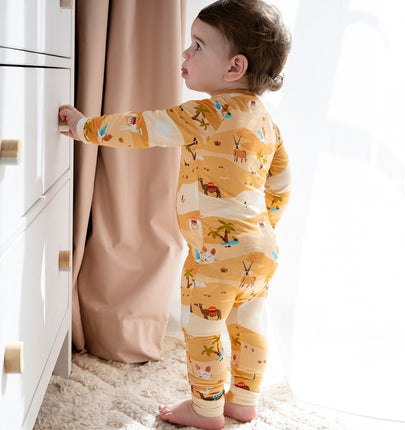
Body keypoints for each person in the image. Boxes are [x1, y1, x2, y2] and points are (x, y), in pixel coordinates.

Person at [59, 0, 292, 428]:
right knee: (249, 324)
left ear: (235, 67)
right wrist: (266, 226)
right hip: (263, 250)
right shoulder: (265, 121)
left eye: (198, 45)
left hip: (214, 256)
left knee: (203, 329)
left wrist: (83, 127)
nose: (186, 52)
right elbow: (281, 181)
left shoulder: (205, 114)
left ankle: (206, 409)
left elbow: (140, 127)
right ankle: (244, 401)